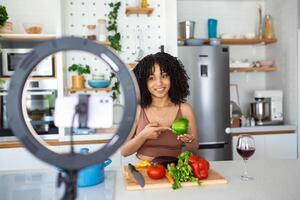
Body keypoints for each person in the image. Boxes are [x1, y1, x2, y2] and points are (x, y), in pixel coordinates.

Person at [121, 52, 198, 161]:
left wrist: (189, 140)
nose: (159, 83)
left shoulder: (185, 110)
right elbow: (124, 151)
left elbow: (194, 148)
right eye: (151, 78)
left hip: (173, 171)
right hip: (144, 170)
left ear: (174, 78)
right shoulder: (137, 110)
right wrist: (143, 136)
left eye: (164, 76)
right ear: (143, 82)